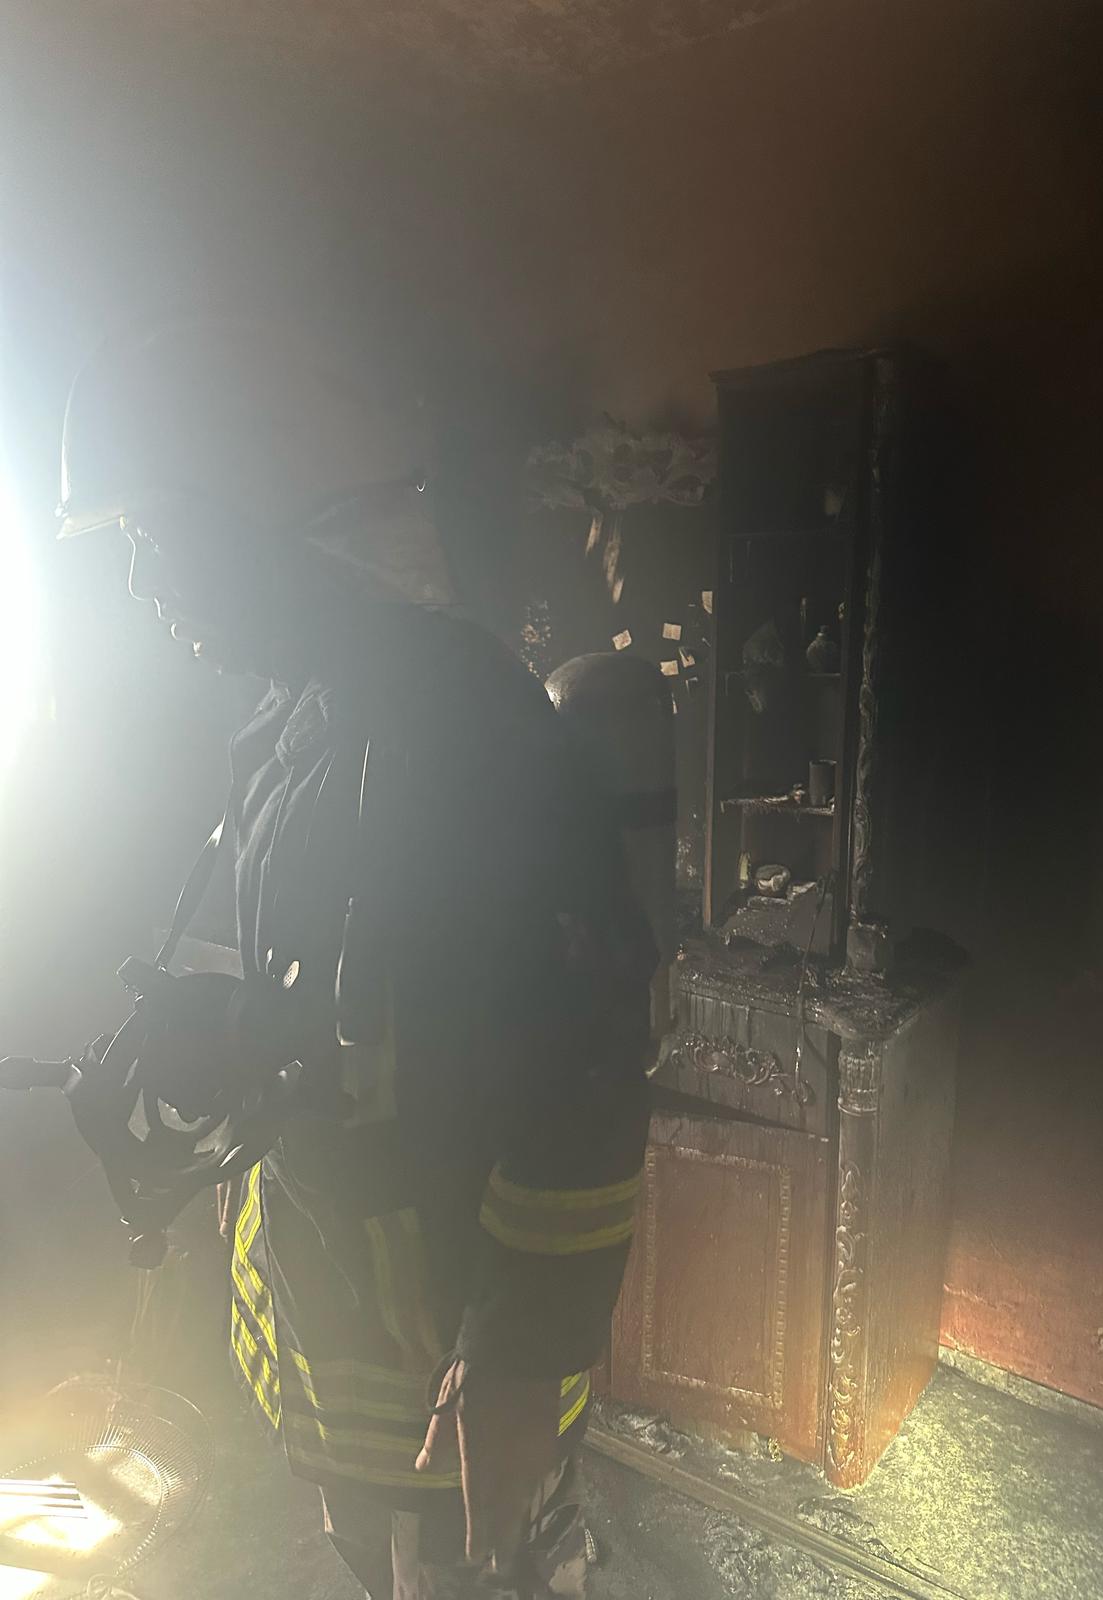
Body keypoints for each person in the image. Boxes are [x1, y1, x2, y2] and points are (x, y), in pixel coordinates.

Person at [55, 319, 655, 1600]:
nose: (143, 585)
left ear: (276, 519)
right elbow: (363, 987)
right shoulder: (298, 718)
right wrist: (223, 1026)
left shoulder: (468, 725)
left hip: (443, 1346)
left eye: (157, 535)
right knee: (371, 1556)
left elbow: (590, 1050)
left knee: (475, 1575)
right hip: (337, 1322)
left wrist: (517, 1353)